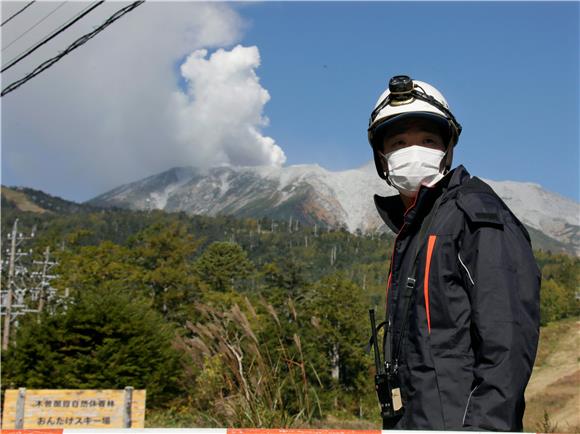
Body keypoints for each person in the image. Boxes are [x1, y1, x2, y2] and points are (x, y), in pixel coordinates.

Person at [367, 75, 540, 431]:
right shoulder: (419, 226)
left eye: (428, 140)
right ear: (381, 157)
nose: (413, 151)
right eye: (399, 142)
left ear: (448, 148)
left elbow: (505, 346)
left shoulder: (475, 215)